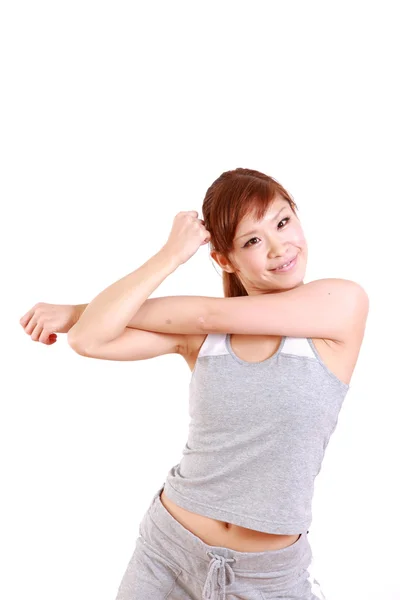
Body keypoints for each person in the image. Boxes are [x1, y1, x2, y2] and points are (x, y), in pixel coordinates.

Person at [20, 168, 369, 599]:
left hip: (269, 579)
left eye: (282, 222)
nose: (280, 247)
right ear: (224, 260)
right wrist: (169, 255)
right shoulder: (203, 337)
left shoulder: (341, 303)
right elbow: (91, 339)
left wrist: (77, 309)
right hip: (168, 551)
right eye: (252, 240)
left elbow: (205, 314)